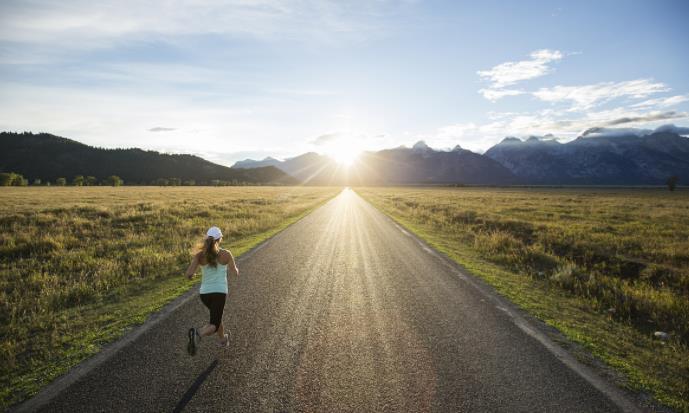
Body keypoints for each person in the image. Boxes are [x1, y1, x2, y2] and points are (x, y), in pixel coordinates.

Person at [185, 226, 239, 355]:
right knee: (213, 325)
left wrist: (193, 276)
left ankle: (223, 339)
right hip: (219, 293)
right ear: (220, 239)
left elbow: (188, 274)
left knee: (216, 317)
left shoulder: (200, 256)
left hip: (204, 294)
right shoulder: (226, 254)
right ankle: (197, 334)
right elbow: (234, 272)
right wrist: (236, 271)